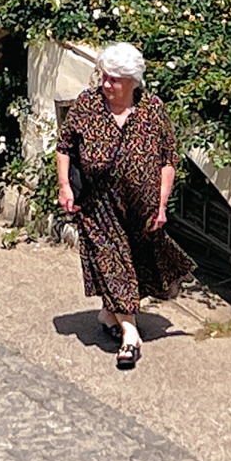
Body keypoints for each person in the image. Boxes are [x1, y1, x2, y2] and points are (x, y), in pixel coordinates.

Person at [55, 41, 190, 370]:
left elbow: (167, 160)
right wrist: (64, 187)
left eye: (115, 79)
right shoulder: (88, 105)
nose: (106, 84)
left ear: (132, 81)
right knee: (112, 259)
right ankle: (130, 336)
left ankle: (109, 314)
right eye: (104, 76)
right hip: (98, 203)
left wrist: (160, 205)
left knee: (135, 261)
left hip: (140, 208)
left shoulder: (152, 110)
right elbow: (64, 146)